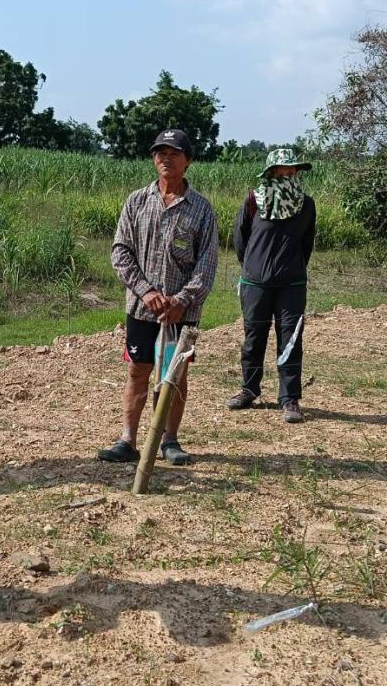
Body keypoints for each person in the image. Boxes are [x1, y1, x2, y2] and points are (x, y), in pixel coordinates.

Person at [97, 130, 218, 467]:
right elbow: (121, 252)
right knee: (138, 371)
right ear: (153, 159)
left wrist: (182, 300)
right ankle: (128, 440)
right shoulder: (137, 201)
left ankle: (169, 440)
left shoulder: (202, 210)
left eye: (175, 153)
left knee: (174, 375)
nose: (166, 158)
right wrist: (146, 291)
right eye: (160, 153)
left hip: (182, 314)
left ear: (188, 160)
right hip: (141, 309)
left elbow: (207, 264)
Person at [225, 147, 316, 424]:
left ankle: (289, 400)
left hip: (292, 284)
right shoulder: (254, 200)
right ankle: (249, 390)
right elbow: (241, 240)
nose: (288, 174)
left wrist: (292, 268)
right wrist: (254, 267)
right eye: (282, 170)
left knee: (290, 340)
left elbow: (306, 244)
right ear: (271, 172)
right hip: (255, 283)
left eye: (292, 170)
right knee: (254, 338)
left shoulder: (306, 204)